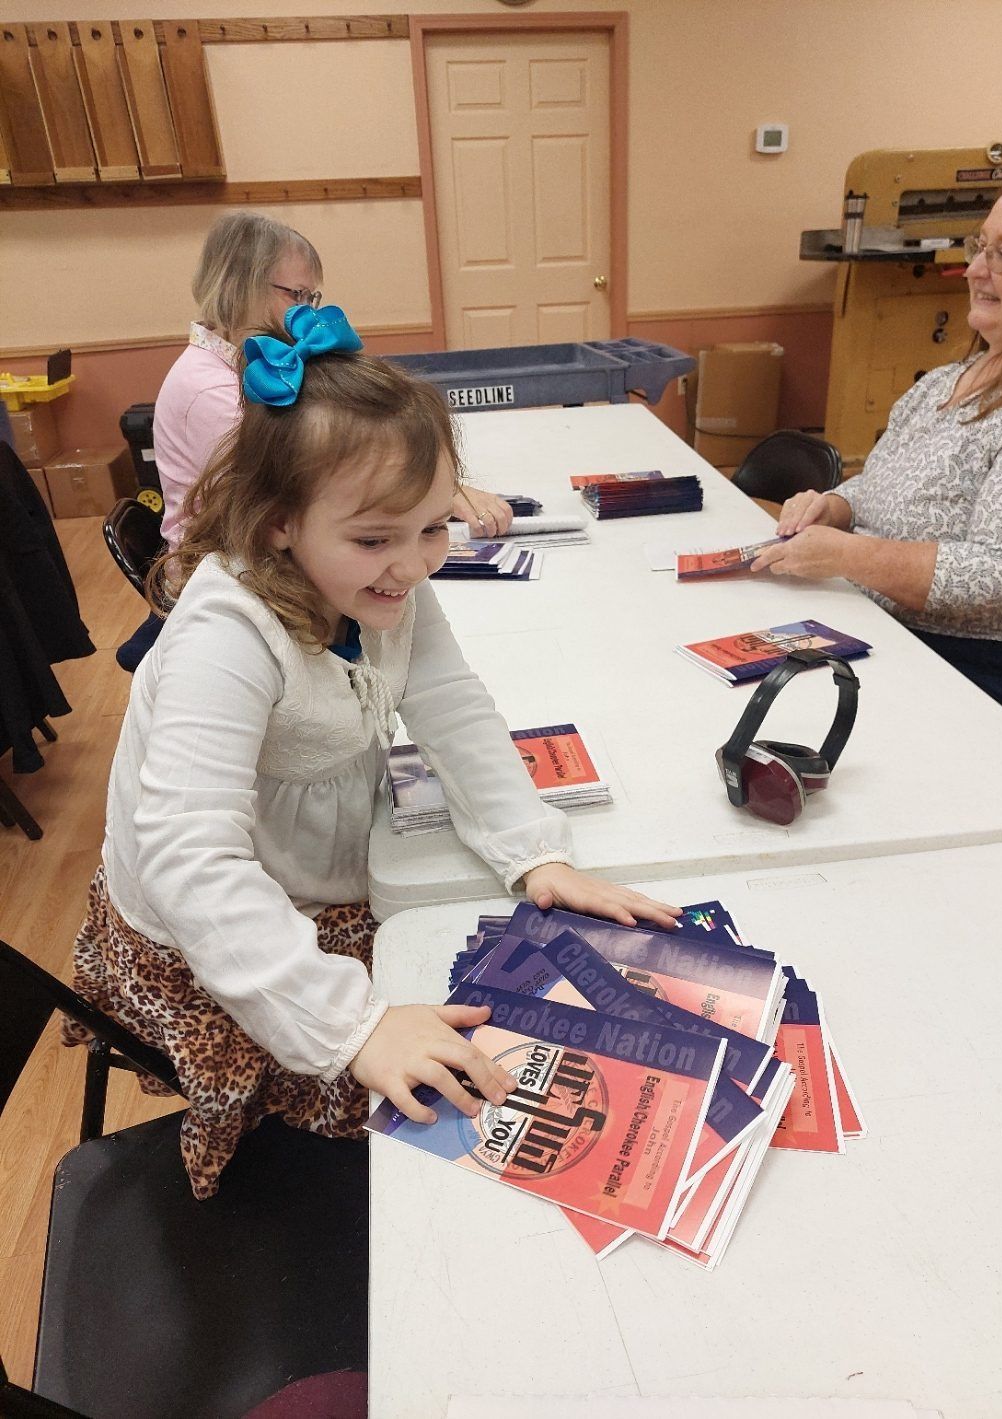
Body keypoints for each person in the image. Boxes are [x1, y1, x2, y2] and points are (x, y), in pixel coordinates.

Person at [64, 304, 679, 1199]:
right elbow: (190, 859)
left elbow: (453, 706)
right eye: (375, 539)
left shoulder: (387, 582)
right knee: (432, 1111)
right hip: (205, 935)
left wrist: (532, 849)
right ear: (279, 523)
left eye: (433, 527)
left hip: (319, 874)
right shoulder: (224, 633)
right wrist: (352, 1027)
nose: (413, 563)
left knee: (471, 1010)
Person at [752, 160, 1002, 752]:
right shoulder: (949, 380)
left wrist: (852, 554)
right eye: (980, 247)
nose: (976, 270)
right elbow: (886, 485)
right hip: (890, 633)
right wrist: (837, 507)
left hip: (992, 674)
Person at [155, 211, 513, 549]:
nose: (308, 312)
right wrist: (433, 494)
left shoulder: (259, 360)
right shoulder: (206, 387)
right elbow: (298, 489)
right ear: (237, 287)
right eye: (296, 295)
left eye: (312, 297)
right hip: (226, 567)